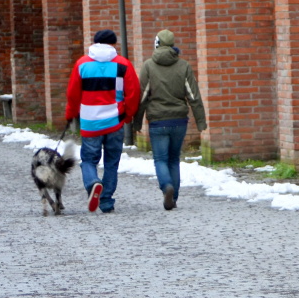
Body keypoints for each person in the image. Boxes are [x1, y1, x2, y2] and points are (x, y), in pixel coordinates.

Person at [65, 29, 141, 213]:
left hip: (90, 121)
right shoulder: (123, 64)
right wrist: (129, 115)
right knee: (111, 162)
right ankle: (106, 201)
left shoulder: (82, 64)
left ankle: (92, 182)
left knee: (88, 159)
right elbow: (133, 93)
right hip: (115, 120)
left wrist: (71, 114)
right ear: (113, 44)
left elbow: (73, 94)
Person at [134, 29, 207, 210]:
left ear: (157, 44)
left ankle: (166, 186)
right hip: (179, 120)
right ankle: (173, 197)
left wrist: (136, 122)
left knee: (160, 159)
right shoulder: (184, 66)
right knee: (174, 159)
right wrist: (200, 121)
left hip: (157, 121)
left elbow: (141, 97)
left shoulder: (149, 66)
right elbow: (193, 96)